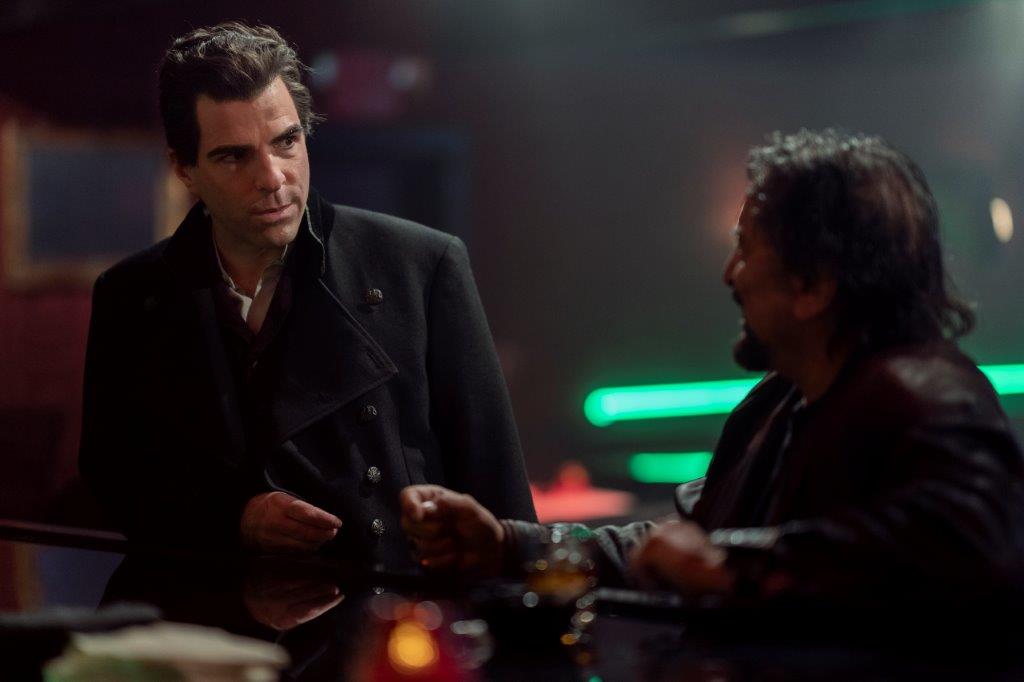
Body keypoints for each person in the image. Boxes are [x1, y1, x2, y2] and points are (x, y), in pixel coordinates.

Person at [401, 129, 1024, 604]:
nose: (731, 276)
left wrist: (731, 565)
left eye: (746, 251)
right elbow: (678, 544)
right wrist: (510, 545)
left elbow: (973, 548)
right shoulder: (777, 404)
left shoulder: (928, 398)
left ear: (813, 285)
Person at [78, 22, 535, 566]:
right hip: (207, 604)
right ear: (184, 169)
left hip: (391, 601)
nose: (273, 178)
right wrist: (234, 519)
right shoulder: (130, 294)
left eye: (286, 142)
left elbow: (499, 493)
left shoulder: (423, 265)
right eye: (234, 156)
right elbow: (113, 480)